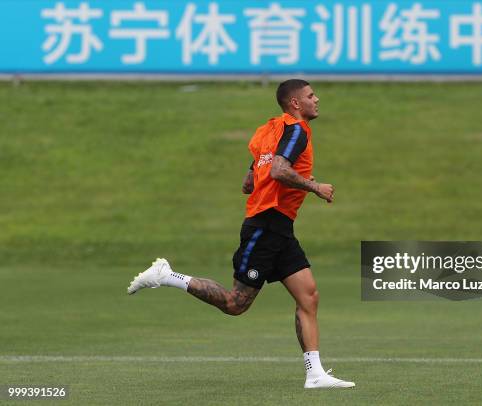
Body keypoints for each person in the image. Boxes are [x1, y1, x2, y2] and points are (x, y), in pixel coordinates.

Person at [127, 79, 355, 389]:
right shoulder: (297, 131)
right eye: (311, 96)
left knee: (308, 296)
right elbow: (276, 170)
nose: (318, 99)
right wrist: (314, 187)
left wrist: (292, 179)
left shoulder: (271, 129)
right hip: (265, 226)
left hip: (279, 227)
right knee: (236, 304)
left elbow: (250, 180)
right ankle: (167, 275)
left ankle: (315, 375)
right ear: (295, 104)